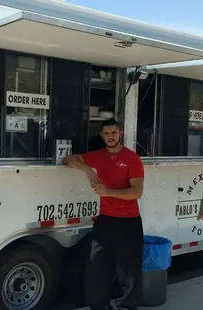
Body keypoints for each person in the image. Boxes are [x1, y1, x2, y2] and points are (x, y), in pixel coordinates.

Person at [63, 118, 144, 310]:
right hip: (105, 220)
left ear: (120, 134)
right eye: (106, 134)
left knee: (128, 271)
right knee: (97, 267)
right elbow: (69, 158)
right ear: (102, 136)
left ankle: (127, 306)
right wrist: (88, 170)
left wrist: (107, 192)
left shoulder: (132, 159)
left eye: (113, 133)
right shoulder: (98, 156)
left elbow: (137, 192)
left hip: (129, 222)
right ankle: (99, 306)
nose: (110, 137)